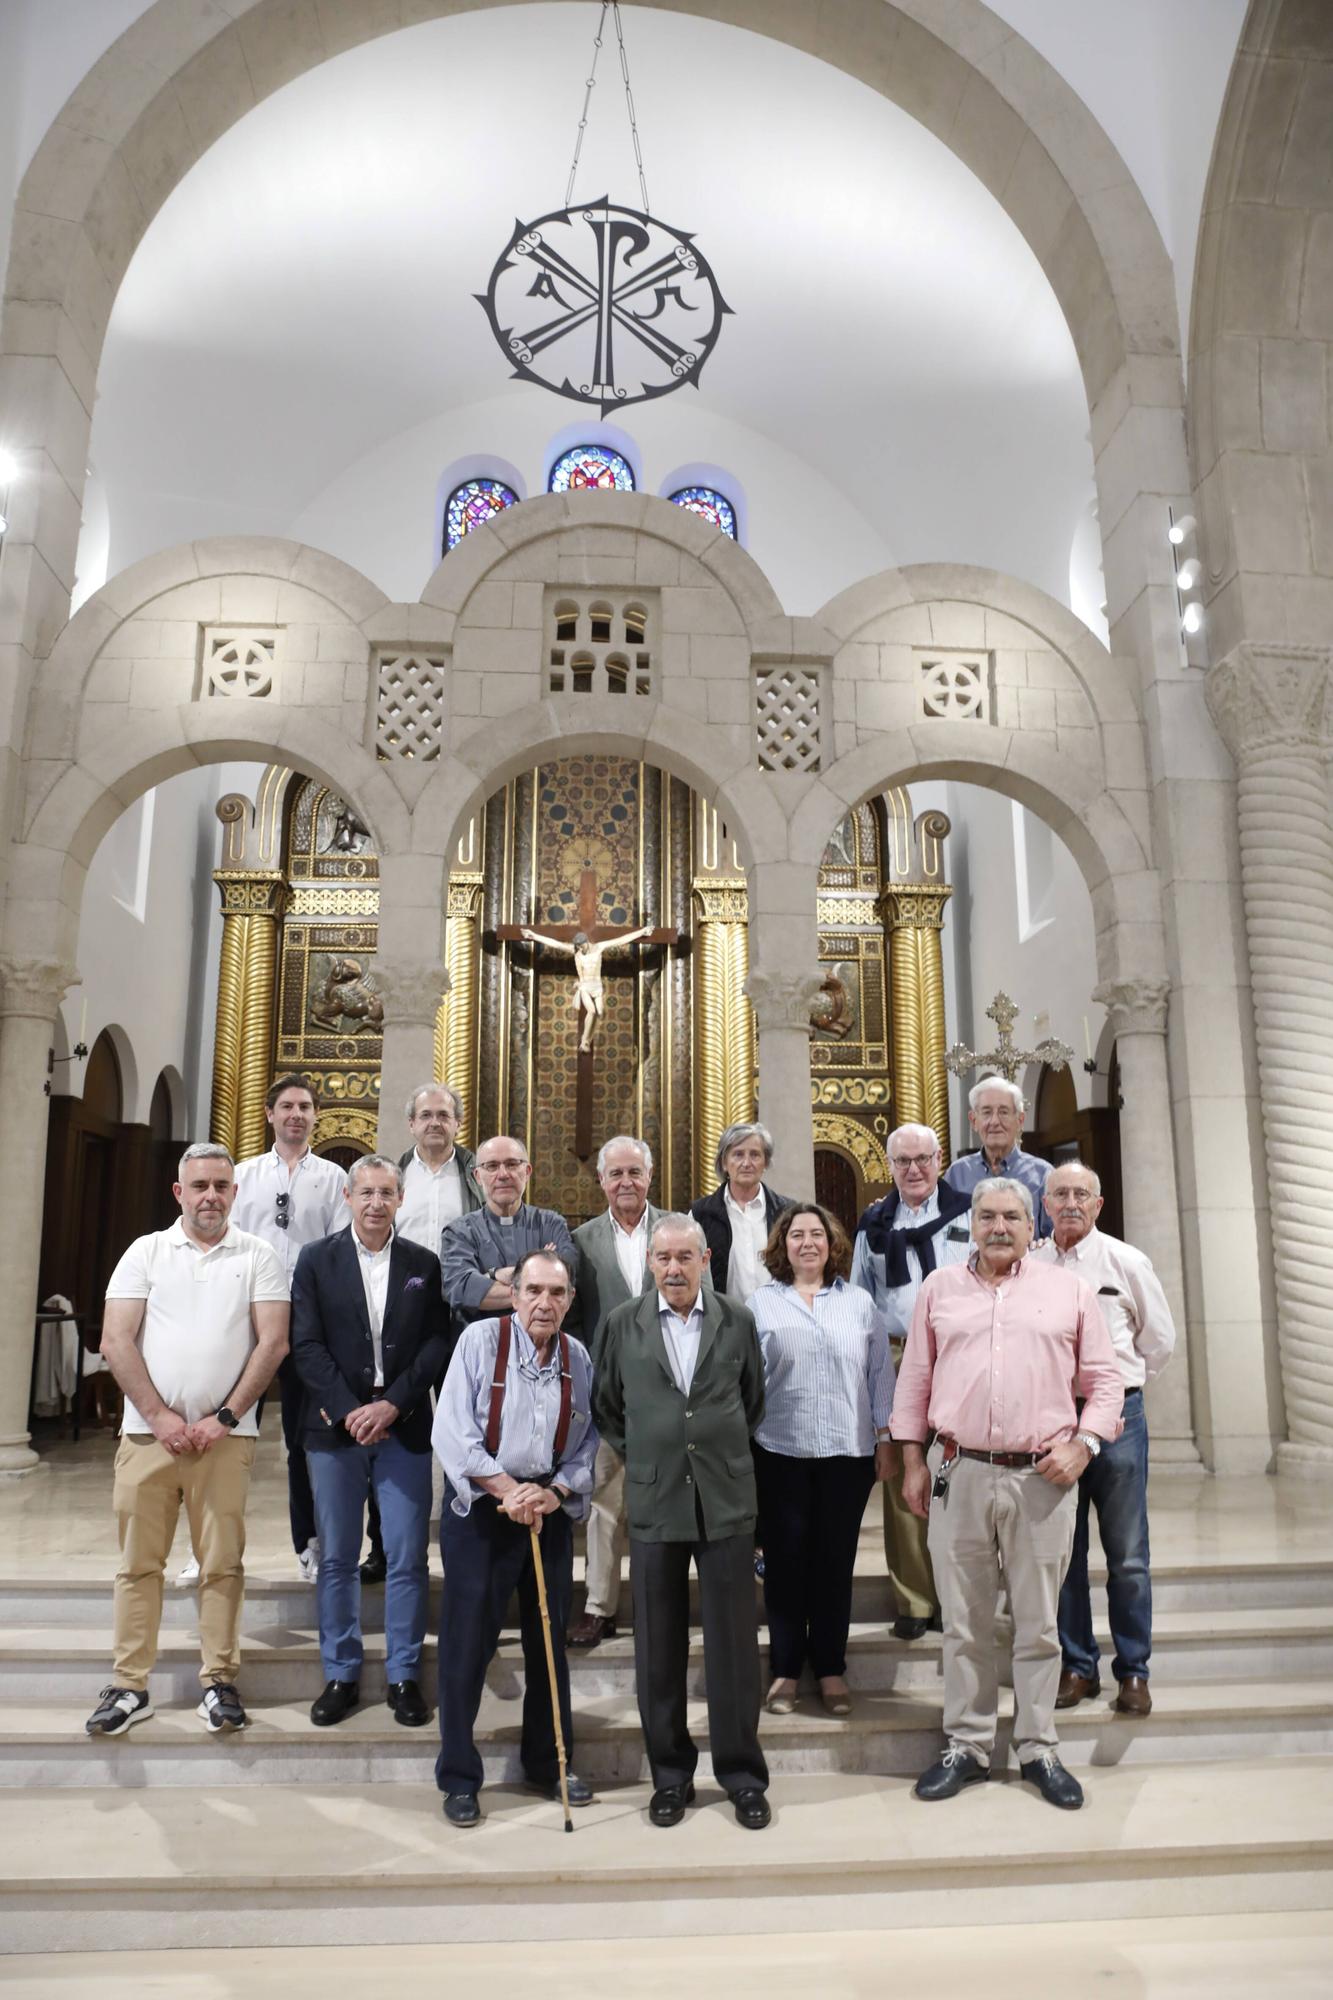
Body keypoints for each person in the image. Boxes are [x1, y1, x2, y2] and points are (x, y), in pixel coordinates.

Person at [891, 1177, 1122, 1811]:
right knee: (963, 1622)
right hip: (958, 1470)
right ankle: (966, 1746)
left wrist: (1085, 1444)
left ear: (1031, 1227)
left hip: (1041, 1479)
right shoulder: (939, 1290)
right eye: (988, 1215)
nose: (999, 1226)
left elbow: (1105, 1383)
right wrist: (913, 1461)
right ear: (972, 1222)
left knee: (1038, 1622)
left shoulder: (1070, 1291)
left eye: (1012, 1217)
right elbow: (914, 1382)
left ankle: (1037, 1745)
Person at [86, 1143, 289, 1738]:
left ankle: (219, 1681)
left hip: (225, 1441)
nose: (211, 1196)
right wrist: (160, 1415)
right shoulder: (145, 1252)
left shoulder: (259, 1255)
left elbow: (272, 1342)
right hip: (149, 1439)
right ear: (179, 1192)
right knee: (138, 1565)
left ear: (235, 1193)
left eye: (221, 1187)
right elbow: (116, 1340)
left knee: (221, 1565)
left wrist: (221, 1418)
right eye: (199, 1185)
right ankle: (129, 1686)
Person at [596, 1214, 771, 1831]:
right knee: (658, 1651)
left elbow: (753, 1400)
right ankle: (670, 1776)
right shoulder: (622, 1324)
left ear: (706, 1259)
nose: (673, 1267)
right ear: (650, 1264)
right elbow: (607, 1406)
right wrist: (652, 1452)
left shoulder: (737, 1320)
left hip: (724, 1501)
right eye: (663, 1257)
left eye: (684, 1257)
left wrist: (709, 1449)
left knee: (733, 1649)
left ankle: (743, 1775)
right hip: (655, 1499)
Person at [432, 1251, 598, 1826]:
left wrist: (553, 1493)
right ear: (515, 1294)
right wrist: (508, 1490)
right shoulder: (479, 1342)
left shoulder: (578, 1357)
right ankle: (458, 1774)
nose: (544, 1303)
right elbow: (453, 1431)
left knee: (548, 1642)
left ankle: (550, 1761)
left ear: (570, 1300)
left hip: (545, 1510)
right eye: (533, 1291)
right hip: (482, 1508)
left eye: (556, 1293)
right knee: (467, 1642)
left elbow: (587, 1445)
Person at [290, 1155, 451, 1730]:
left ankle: (404, 1674)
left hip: (402, 1425)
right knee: (337, 1558)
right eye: (367, 1193)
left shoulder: (422, 1264)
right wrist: (353, 1409)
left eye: (387, 1192)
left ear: (400, 1199)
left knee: (407, 1558)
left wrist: (395, 1403)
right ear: (349, 1198)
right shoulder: (316, 1260)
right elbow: (304, 1344)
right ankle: (341, 1673)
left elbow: (435, 1342)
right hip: (335, 1430)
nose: (376, 1203)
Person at [1036, 1162, 1176, 1717]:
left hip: (1118, 1421)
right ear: (1044, 1204)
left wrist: (1118, 1387)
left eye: (1081, 1194)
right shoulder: (1033, 1264)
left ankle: (1134, 1672)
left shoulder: (1126, 1260)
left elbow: (1158, 1341)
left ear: (1098, 1205)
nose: (1070, 1202)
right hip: (1052, 1421)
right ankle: (1078, 1666)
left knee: (1128, 1556)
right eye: (1060, 1193)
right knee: (1064, 1556)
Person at [749, 1203, 894, 1717]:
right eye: (796, 1235)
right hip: (778, 1451)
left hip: (847, 1453)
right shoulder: (760, 1304)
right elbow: (747, 1381)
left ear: (832, 1244)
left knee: (835, 1565)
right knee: (785, 1567)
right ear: (782, 1245)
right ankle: (786, 1669)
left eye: (817, 1233)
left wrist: (886, 1438)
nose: (807, 1242)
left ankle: (831, 1668)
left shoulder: (858, 1304)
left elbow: (880, 1374)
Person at [851, 1123, 971, 1640]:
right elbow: (861, 1298)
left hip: (959, 1354)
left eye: (923, 1159)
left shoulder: (969, 1210)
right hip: (898, 1356)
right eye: (903, 1161)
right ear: (890, 1164)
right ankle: (915, 1599)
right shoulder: (874, 1223)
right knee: (905, 1474)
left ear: (940, 1159)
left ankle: (955, 1596)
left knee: (960, 1476)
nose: (914, 1169)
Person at [231, 1073, 349, 1584]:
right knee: (228, 1432)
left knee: (305, 1438)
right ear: (269, 1113)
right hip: (248, 1318)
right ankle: (212, 1548)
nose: (296, 1114)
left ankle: (311, 1543)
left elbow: (339, 1250)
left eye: (305, 1106)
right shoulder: (242, 1175)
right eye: (287, 1106)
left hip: (306, 1321)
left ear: (315, 1115)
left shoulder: (333, 1179)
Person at [567, 1135, 670, 1649]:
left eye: (635, 1172)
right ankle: (598, 1608)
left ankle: (659, 1605)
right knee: (604, 1502)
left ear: (650, 1176)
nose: (626, 1182)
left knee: (665, 1502)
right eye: (616, 1174)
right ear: (602, 1181)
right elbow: (577, 1319)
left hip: (671, 1397)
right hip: (607, 1397)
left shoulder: (677, 1231)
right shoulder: (581, 1241)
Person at [439, 1135, 576, 1332]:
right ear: (477, 1176)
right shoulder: (459, 1232)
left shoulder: (551, 1224)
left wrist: (489, 1276)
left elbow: (565, 1280)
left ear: (527, 1171)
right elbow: (462, 1289)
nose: (503, 1174)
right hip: (482, 1348)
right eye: (492, 1166)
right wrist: (539, 1285)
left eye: (512, 1164)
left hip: (543, 1345)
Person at [690, 1121, 796, 1299]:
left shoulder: (788, 1212)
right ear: (724, 1162)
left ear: (766, 1162)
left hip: (778, 1318)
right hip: (723, 1319)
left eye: (755, 1155)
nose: (746, 1163)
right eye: (738, 1155)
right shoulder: (700, 1214)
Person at [944, 1075, 1053, 1238]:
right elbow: (948, 1234)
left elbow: (1053, 1236)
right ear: (974, 1120)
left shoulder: (1043, 1175)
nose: (994, 1121)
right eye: (986, 1112)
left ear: (1020, 1120)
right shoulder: (957, 1174)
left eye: (1003, 1112)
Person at [520, 923, 654, 1052]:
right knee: (592, 1011)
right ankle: (584, 1041)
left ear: (586, 942)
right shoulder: (576, 951)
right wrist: (534, 936)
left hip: (597, 986)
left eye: (581, 946)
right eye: (577, 947)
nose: (579, 949)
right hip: (584, 986)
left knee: (600, 1012)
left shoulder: (599, 947)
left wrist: (642, 932)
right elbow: (556, 944)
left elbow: (620, 940)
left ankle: (587, 1040)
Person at [395, 1083, 483, 1251]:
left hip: (461, 1275)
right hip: (406, 1275)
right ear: (412, 1124)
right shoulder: (395, 1175)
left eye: (443, 1115)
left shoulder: (479, 1175)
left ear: (458, 1124)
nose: (434, 1123)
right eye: (426, 1115)